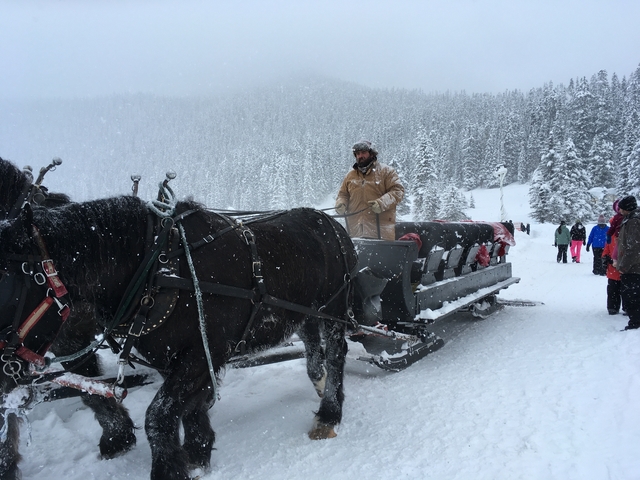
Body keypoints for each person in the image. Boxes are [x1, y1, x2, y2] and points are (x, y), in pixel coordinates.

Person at [335, 141, 404, 241]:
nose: (360, 156)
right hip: (354, 233)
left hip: (381, 234)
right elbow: (343, 194)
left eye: (363, 152)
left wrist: (381, 204)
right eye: (357, 154)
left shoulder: (387, 171)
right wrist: (341, 203)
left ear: (371, 153)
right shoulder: (350, 176)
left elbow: (398, 191)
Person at [616, 195, 640, 330]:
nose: (619, 210)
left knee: (632, 296)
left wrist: (624, 265)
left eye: (621, 208)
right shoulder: (630, 220)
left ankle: (635, 323)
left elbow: (634, 247)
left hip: (634, 267)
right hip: (634, 266)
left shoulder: (633, 222)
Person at [602, 228, 623, 315]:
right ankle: (613, 307)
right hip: (617, 269)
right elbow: (605, 251)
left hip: (623, 270)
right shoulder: (611, 237)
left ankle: (615, 307)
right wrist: (608, 259)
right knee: (615, 290)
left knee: (616, 290)